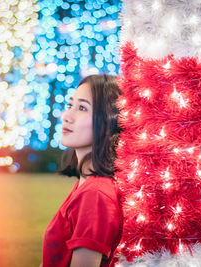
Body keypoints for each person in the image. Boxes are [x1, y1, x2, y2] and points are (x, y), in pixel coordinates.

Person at [41, 74, 123, 267]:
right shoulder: (86, 185)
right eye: (70, 105)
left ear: (107, 123)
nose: (67, 116)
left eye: (82, 108)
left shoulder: (96, 194)